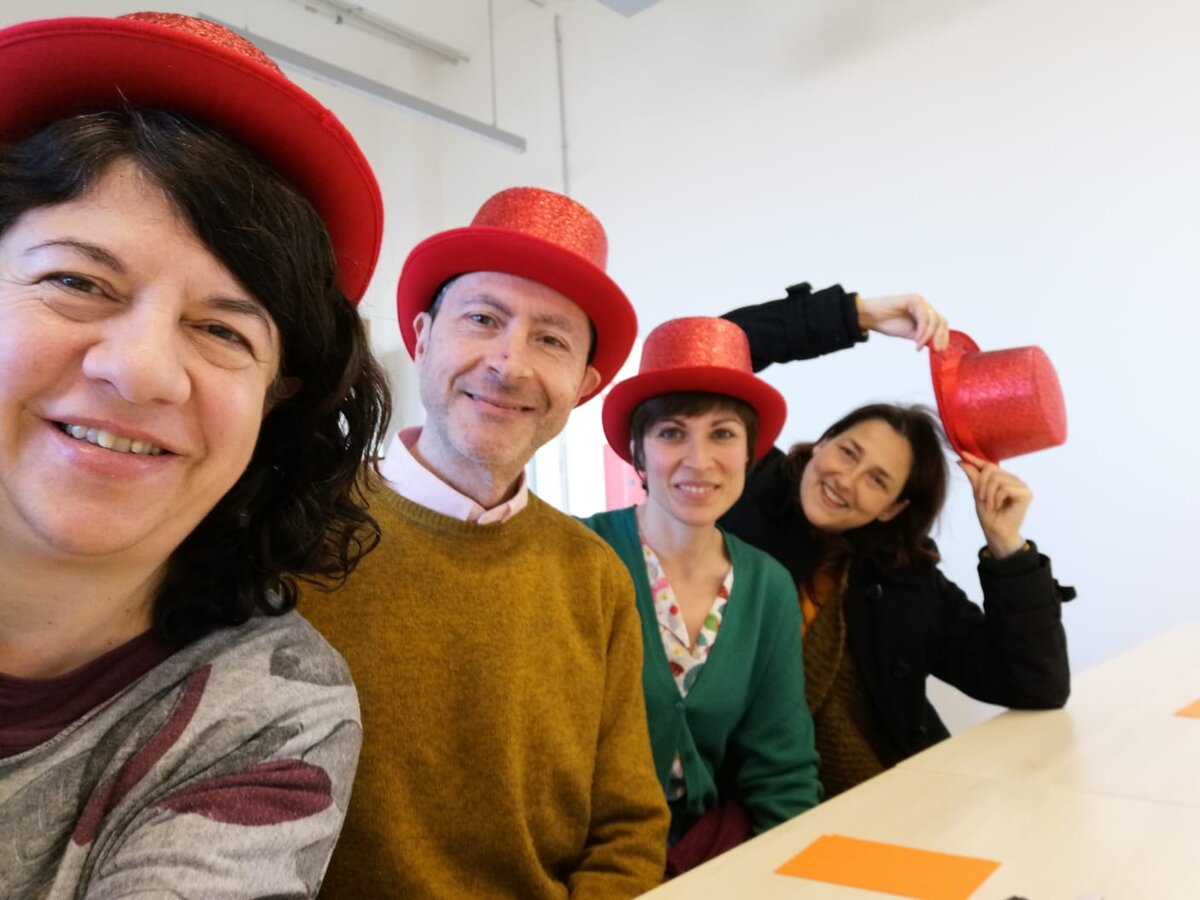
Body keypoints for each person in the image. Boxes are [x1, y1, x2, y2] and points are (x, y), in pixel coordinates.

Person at [0, 13, 391, 897]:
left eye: (221, 330)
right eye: (77, 282)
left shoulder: (269, 709)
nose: (141, 370)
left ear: (275, 402)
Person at [301, 186, 670, 897]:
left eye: (552, 340)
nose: (510, 364)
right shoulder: (297, 529)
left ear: (584, 385)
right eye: (482, 318)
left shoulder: (594, 574)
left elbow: (628, 826)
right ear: (421, 338)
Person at [719, 397, 1073, 798]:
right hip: (757, 801)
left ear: (893, 508)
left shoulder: (903, 578)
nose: (846, 481)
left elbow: (1035, 685)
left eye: (877, 481)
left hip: (899, 796)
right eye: (848, 453)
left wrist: (1007, 546)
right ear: (823, 442)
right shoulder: (732, 505)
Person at [581, 316, 821, 875]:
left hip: (708, 853)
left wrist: (791, 876)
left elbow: (781, 767)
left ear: (750, 452)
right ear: (637, 451)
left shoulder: (767, 585)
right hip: (585, 855)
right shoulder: (580, 554)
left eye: (723, 434)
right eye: (671, 433)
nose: (699, 459)